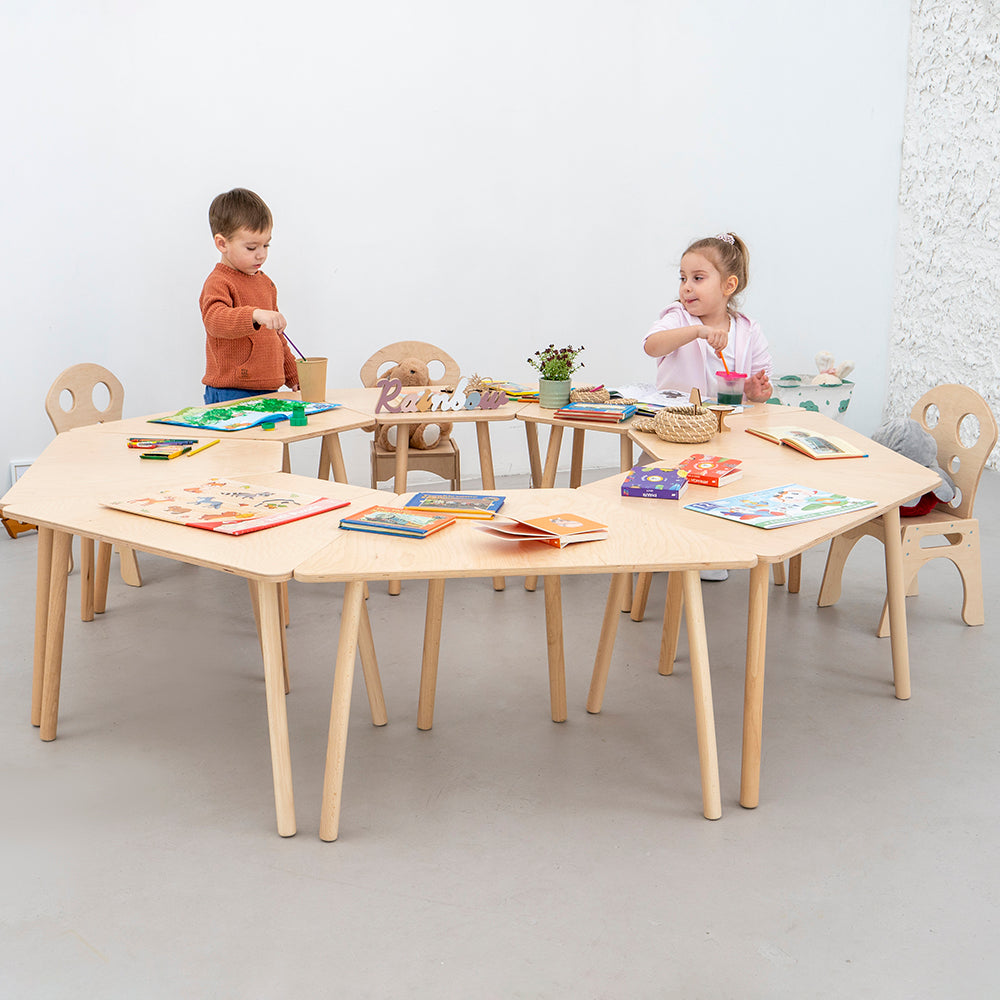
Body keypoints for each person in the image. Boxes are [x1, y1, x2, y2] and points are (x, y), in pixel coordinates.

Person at [642, 232, 772, 403]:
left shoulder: (748, 330)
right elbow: (651, 346)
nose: (686, 287)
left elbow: (763, 382)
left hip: (728, 424)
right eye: (683, 278)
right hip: (679, 422)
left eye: (698, 278)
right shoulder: (678, 317)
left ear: (729, 285)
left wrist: (754, 392)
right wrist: (697, 331)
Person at [200, 188, 299, 405]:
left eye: (266, 245)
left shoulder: (266, 283)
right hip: (232, 391)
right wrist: (254, 315)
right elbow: (216, 321)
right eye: (251, 247)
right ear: (222, 243)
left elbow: (278, 337)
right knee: (239, 441)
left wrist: (293, 375)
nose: (261, 254)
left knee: (273, 439)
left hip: (270, 389)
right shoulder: (218, 282)